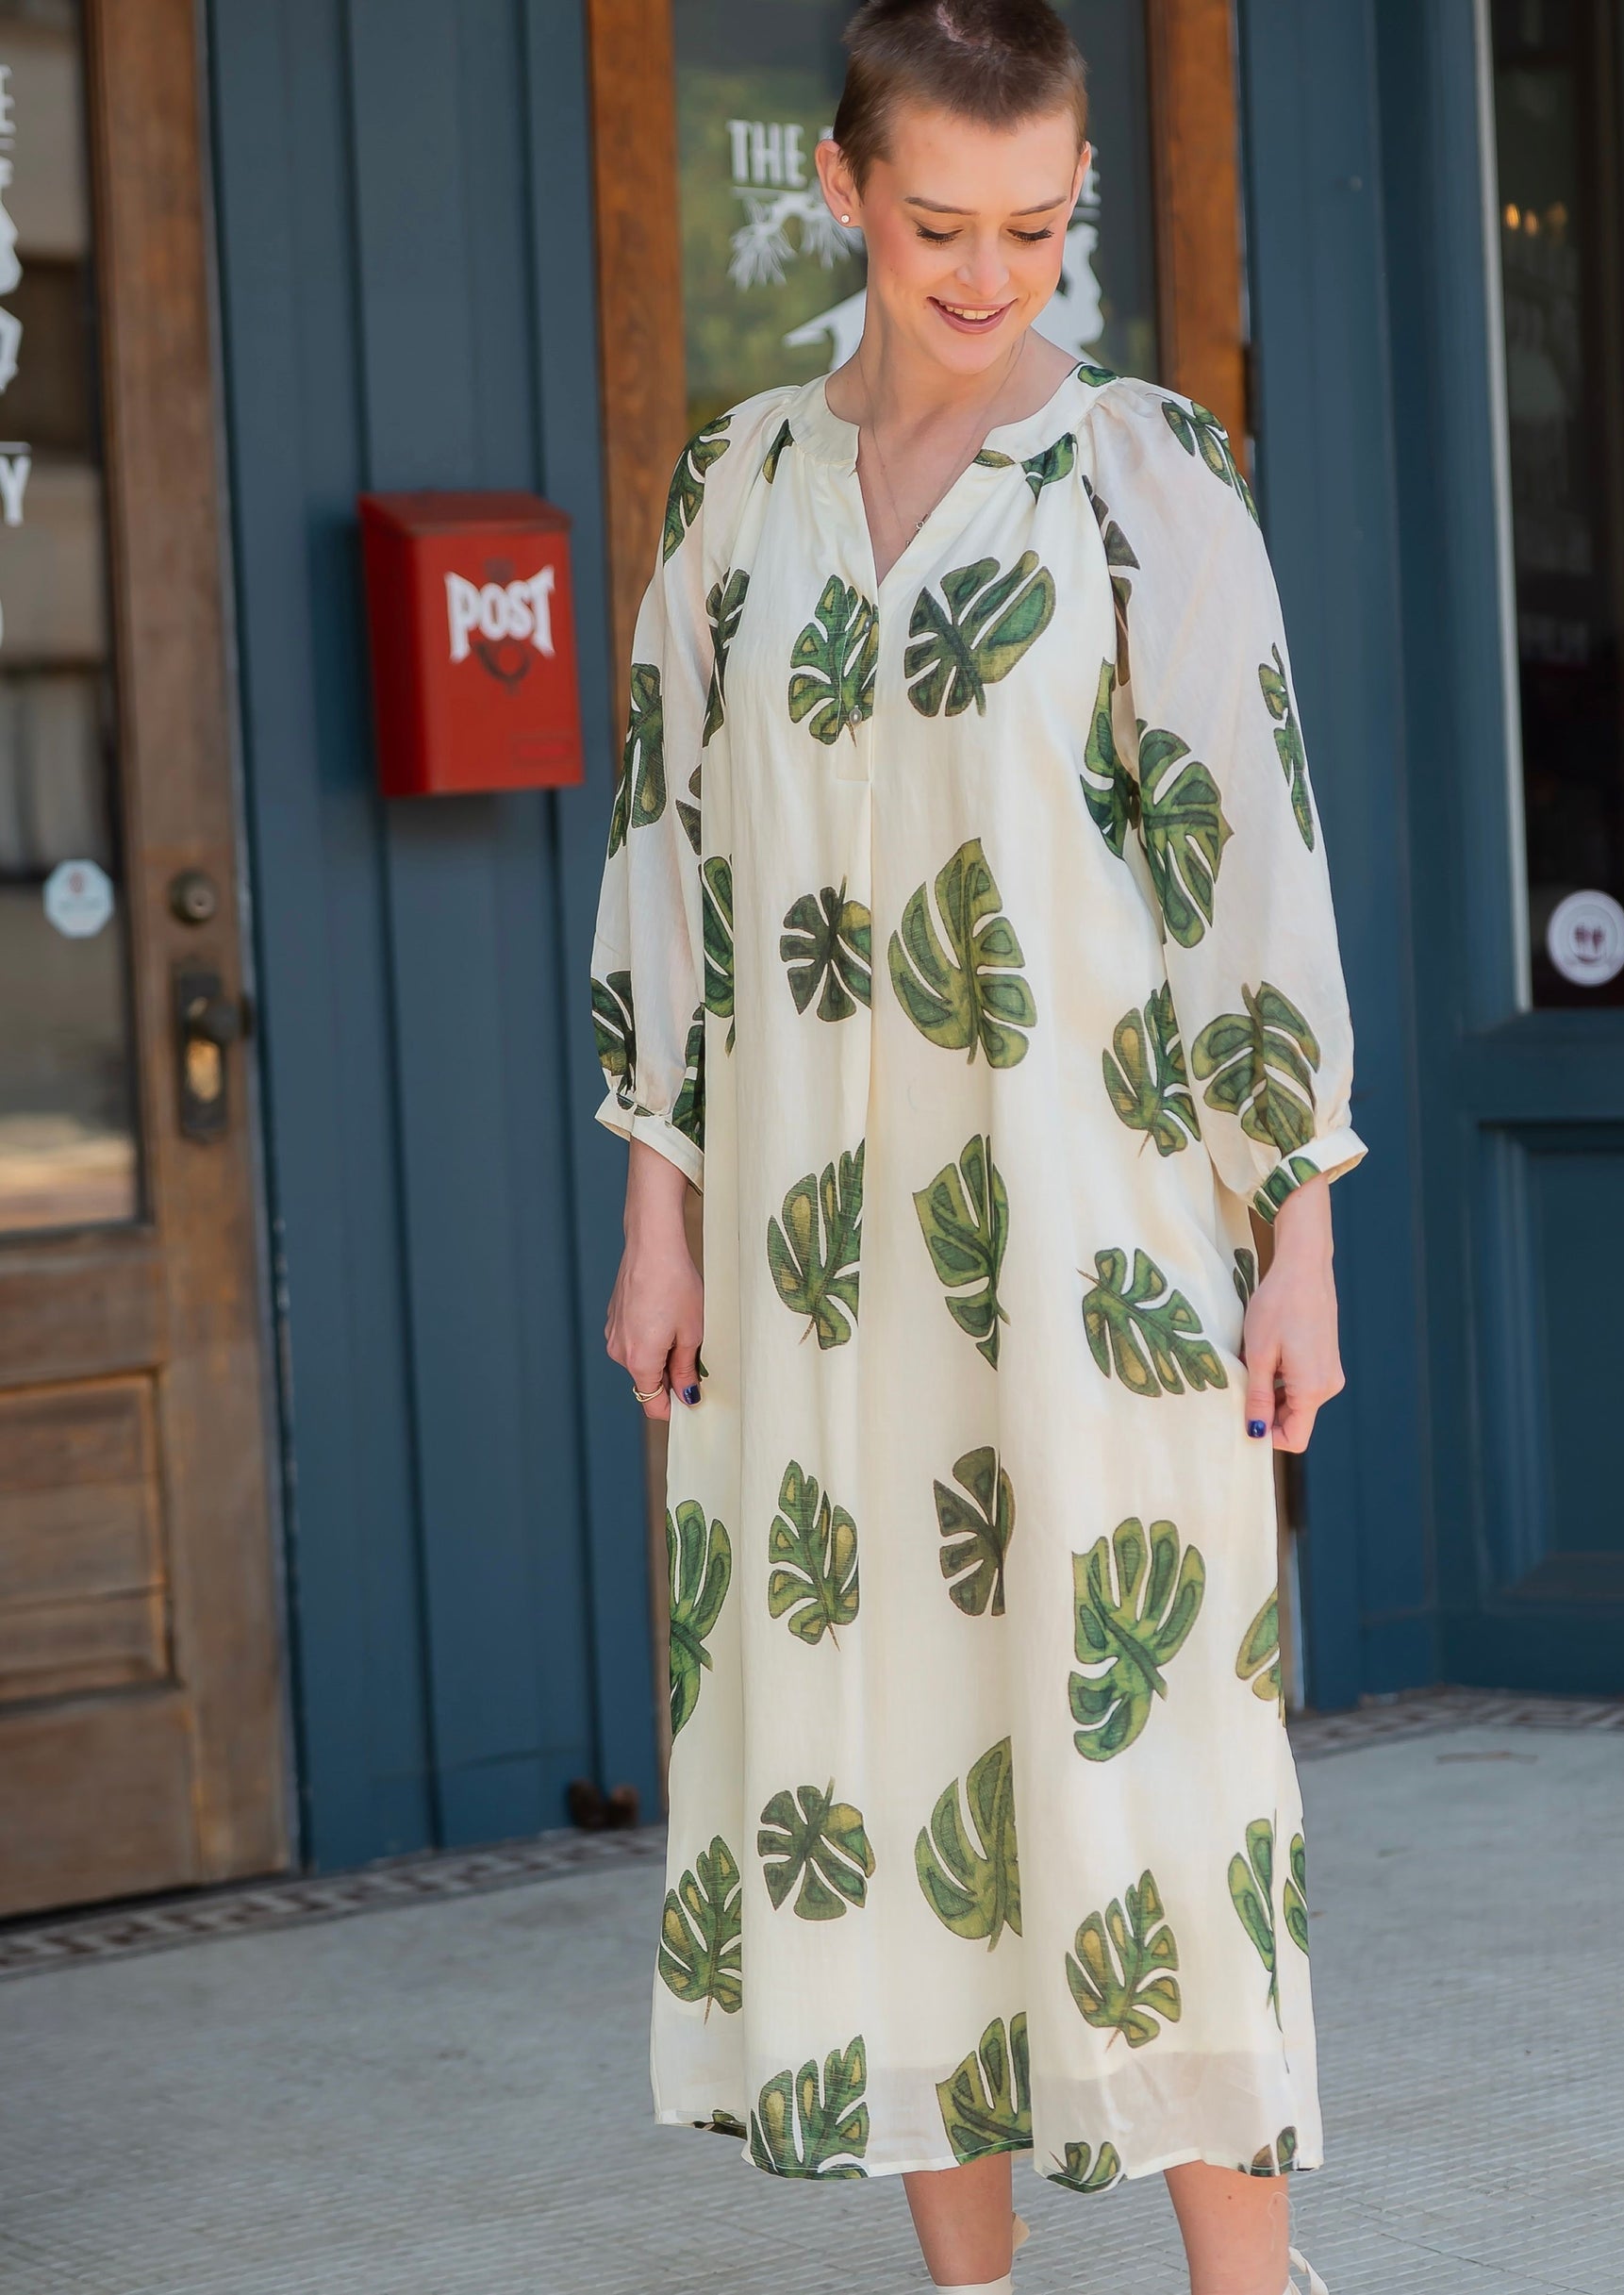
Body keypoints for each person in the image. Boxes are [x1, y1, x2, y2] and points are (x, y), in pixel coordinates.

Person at [593, 5, 1363, 2288]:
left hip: (1095, 1252)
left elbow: (1252, 867)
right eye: (939, 223)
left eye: (1035, 226)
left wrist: (1295, 1238)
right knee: (876, 1742)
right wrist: (658, 1221)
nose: (987, 272)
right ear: (841, 191)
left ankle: (1249, 2286)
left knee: (1157, 1767)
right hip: (810, 1277)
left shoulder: (1141, 480)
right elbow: (667, 870)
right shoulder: (731, 496)